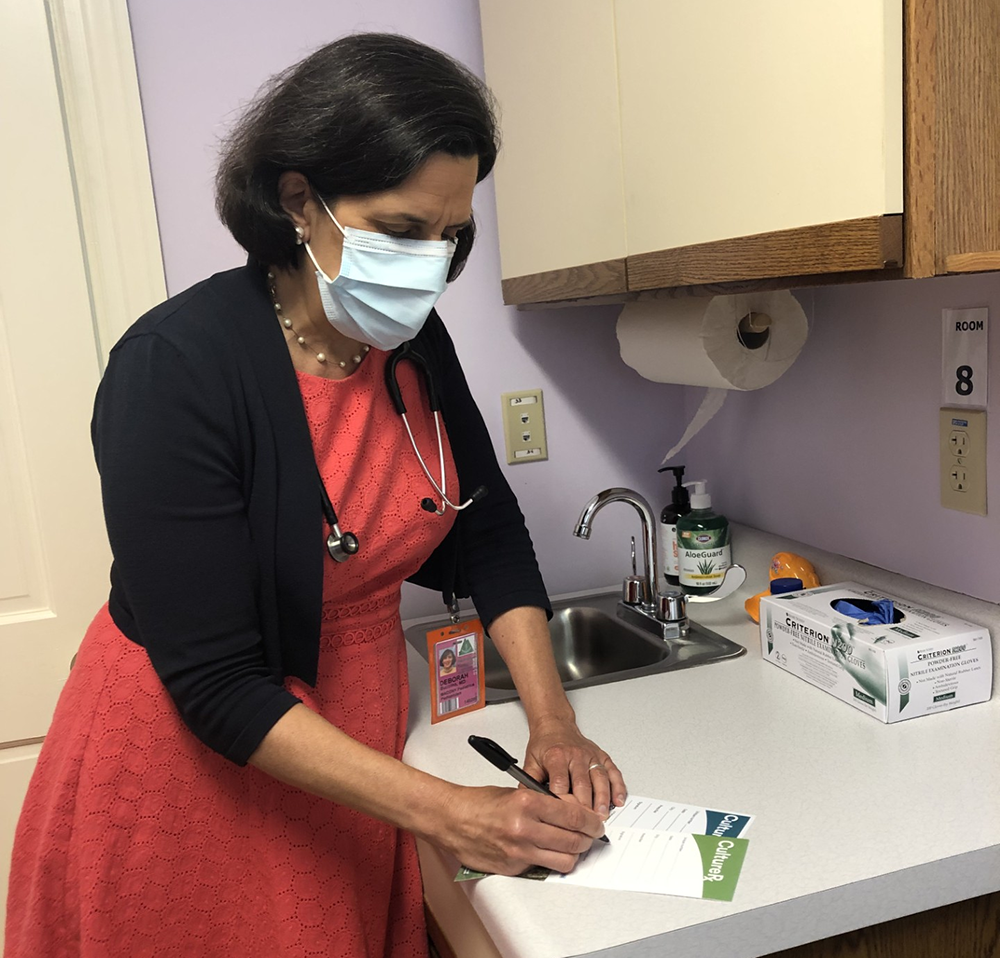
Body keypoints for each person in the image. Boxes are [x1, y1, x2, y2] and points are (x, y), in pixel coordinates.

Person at [6, 33, 627, 958]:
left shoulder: (413, 348)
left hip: (356, 740)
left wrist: (554, 720)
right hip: (197, 762)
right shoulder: (176, 366)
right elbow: (214, 683)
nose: (432, 261)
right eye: (403, 229)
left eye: (451, 232)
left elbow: (487, 529)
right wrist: (451, 814)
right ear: (300, 199)